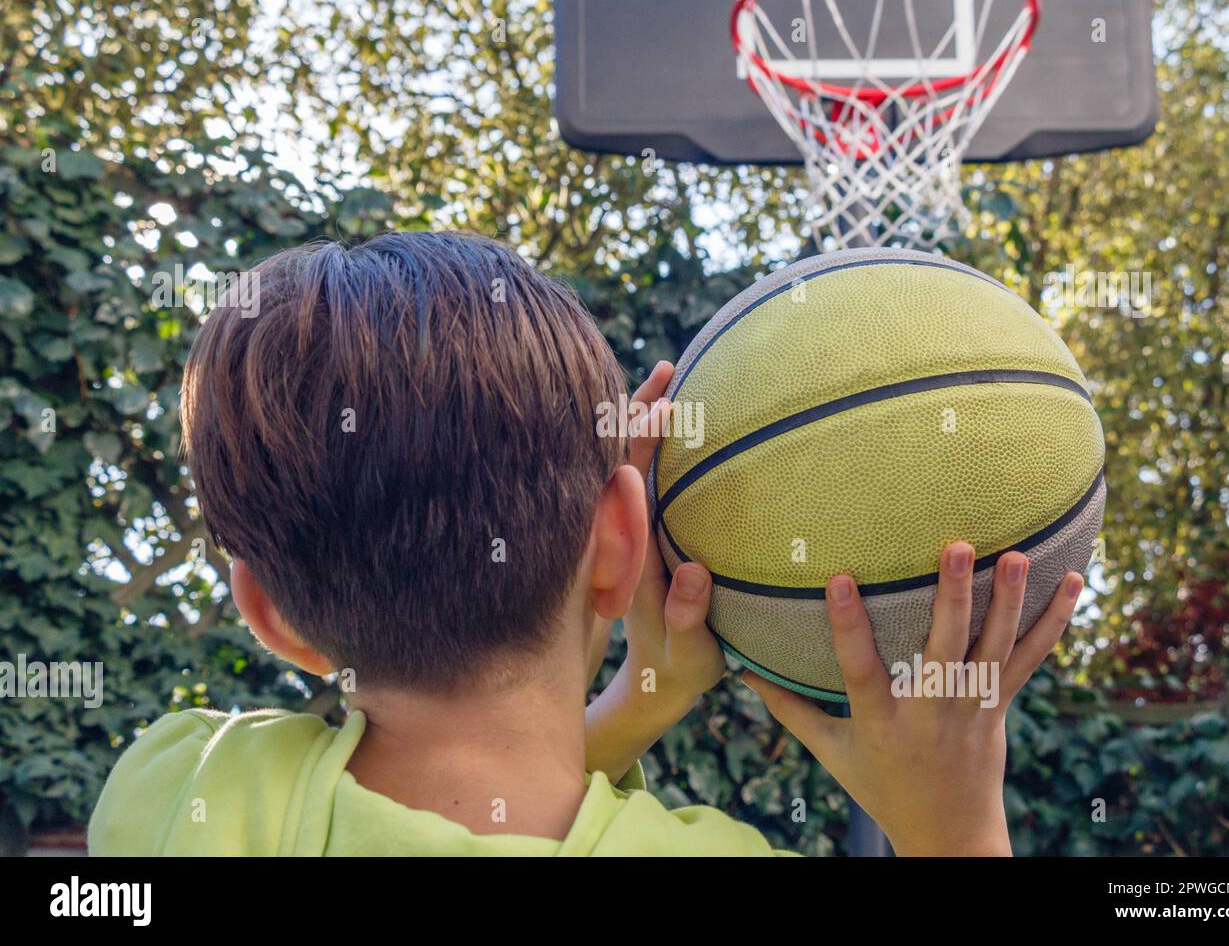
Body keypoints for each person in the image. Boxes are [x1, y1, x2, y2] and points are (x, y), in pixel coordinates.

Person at [88, 231, 1083, 855]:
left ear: (266, 611)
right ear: (618, 536)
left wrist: (650, 690)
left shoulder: (179, 789)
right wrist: (954, 829)